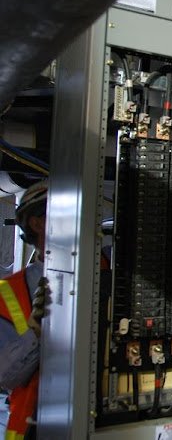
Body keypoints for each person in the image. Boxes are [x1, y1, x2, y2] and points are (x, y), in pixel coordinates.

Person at [0, 180, 49, 440]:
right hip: (34, 426)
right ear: (37, 224)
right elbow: (5, 376)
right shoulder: (9, 291)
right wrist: (35, 333)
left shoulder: (110, 270)